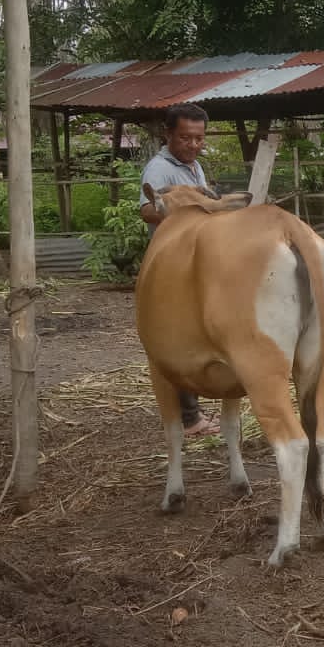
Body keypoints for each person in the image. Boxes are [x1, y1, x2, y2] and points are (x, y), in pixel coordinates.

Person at [138, 103, 220, 438]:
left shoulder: (194, 166)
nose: (193, 145)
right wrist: (180, 209)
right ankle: (188, 418)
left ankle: (192, 410)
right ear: (168, 134)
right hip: (172, 264)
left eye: (199, 138)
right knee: (179, 337)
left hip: (195, 258)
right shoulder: (159, 169)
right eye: (186, 138)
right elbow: (146, 210)